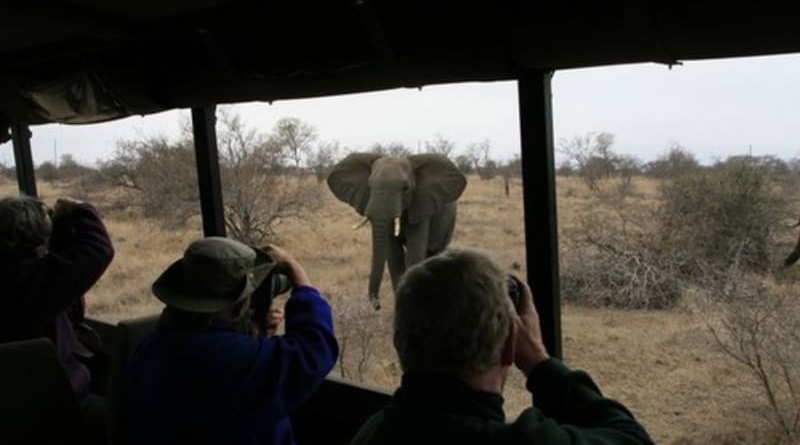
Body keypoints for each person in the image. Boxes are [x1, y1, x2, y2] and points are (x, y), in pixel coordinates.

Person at [349, 248, 655, 445]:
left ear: (399, 340)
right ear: (511, 346)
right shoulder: (513, 440)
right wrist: (539, 362)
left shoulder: (375, 430)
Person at [128, 237, 338, 445]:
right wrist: (297, 273)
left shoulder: (149, 347)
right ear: (238, 308)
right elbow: (315, 349)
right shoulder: (229, 358)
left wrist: (259, 338)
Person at [0, 195, 114, 440]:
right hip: (54, 403)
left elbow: (59, 269)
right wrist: (82, 210)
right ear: (36, 238)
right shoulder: (30, 281)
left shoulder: (17, 275)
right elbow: (98, 250)